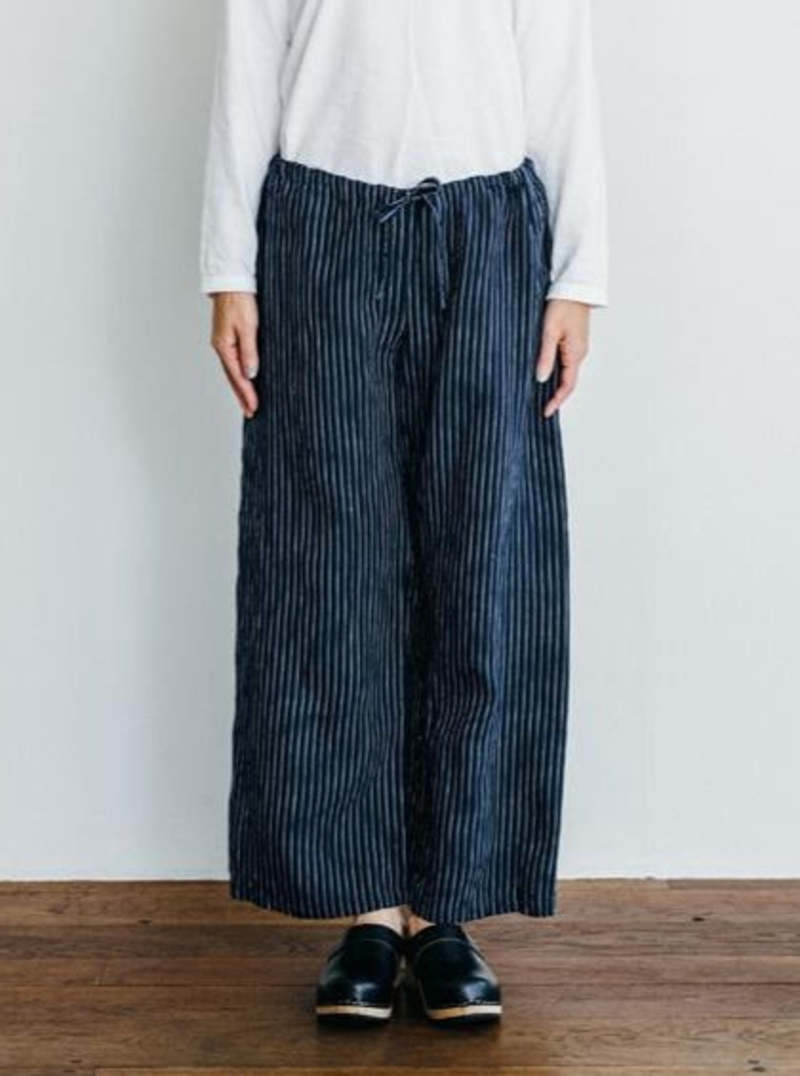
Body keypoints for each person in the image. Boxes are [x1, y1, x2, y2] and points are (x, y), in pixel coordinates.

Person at [200, 0, 607, 1028]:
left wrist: (579, 277)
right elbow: (248, 57)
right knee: (329, 569)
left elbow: (559, 65)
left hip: (488, 232)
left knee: (482, 564)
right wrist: (227, 268)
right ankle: (368, 909)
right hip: (319, 226)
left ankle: (445, 910)